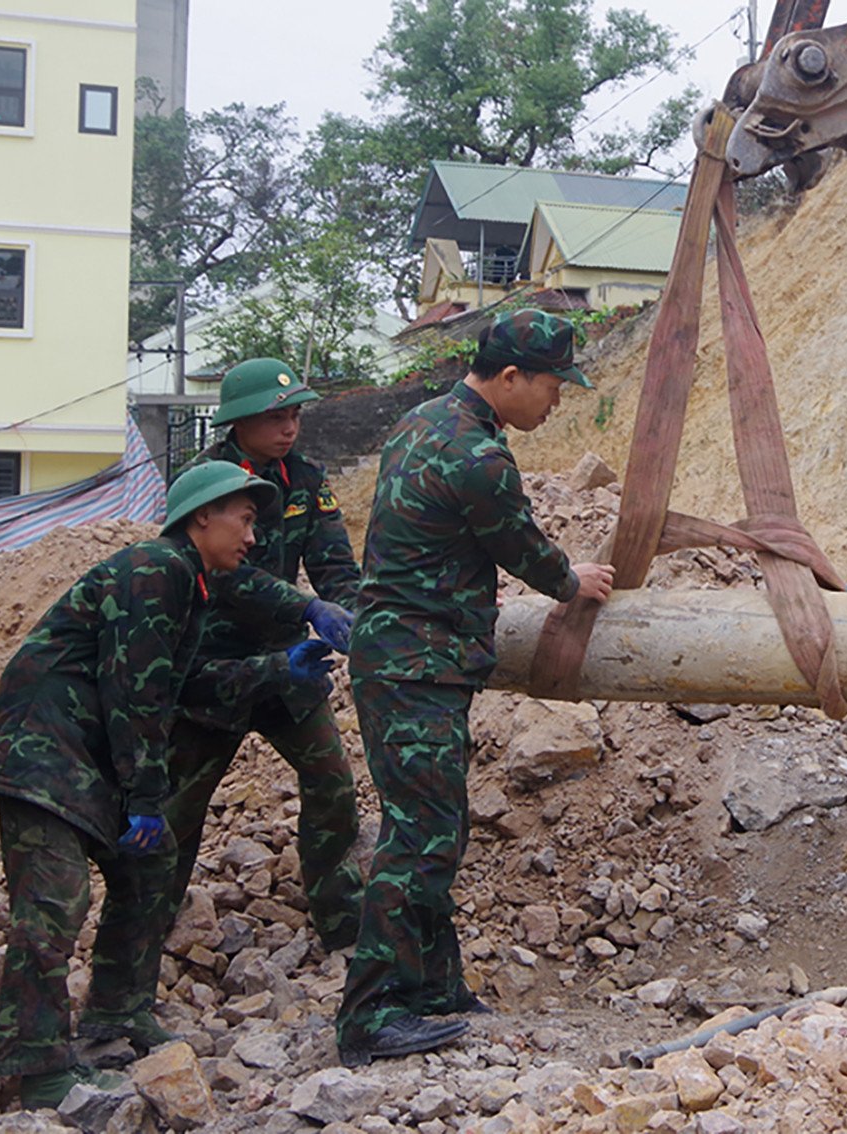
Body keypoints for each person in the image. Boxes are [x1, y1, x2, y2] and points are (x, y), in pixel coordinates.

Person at [336, 309, 616, 1066]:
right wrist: (572, 579)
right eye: (554, 384)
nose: (558, 399)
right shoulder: (477, 455)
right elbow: (519, 544)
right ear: (511, 377)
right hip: (414, 662)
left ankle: (433, 987)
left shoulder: (423, 420)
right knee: (421, 835)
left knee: (436, 825)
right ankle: (369, 1016)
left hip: (406, 658)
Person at [0, 462, 278, 1109]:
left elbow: (180, 684)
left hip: (86, 753)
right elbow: (134, 691)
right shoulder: (154, 569)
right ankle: (40, 1070)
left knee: (149, 868)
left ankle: (115, 1014)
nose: (252, 538)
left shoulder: (187, 584)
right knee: (55, 904)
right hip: (43, 750)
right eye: (244, 520)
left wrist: (277, 669)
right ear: (203, 515)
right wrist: (144, 797)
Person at [158, 357, 366, 956]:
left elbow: (334, 564)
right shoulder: (205, 482)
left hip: (288, 664)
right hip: (211, 670)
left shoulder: (306, 479)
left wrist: (352, 612)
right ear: (240, 421)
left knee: (332, 783)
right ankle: (150, 922)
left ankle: (340, 919)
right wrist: (305, 607)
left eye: (295, 414)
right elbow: (224, 577)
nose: (289, 427)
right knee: (180, 807)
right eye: (276, 416)